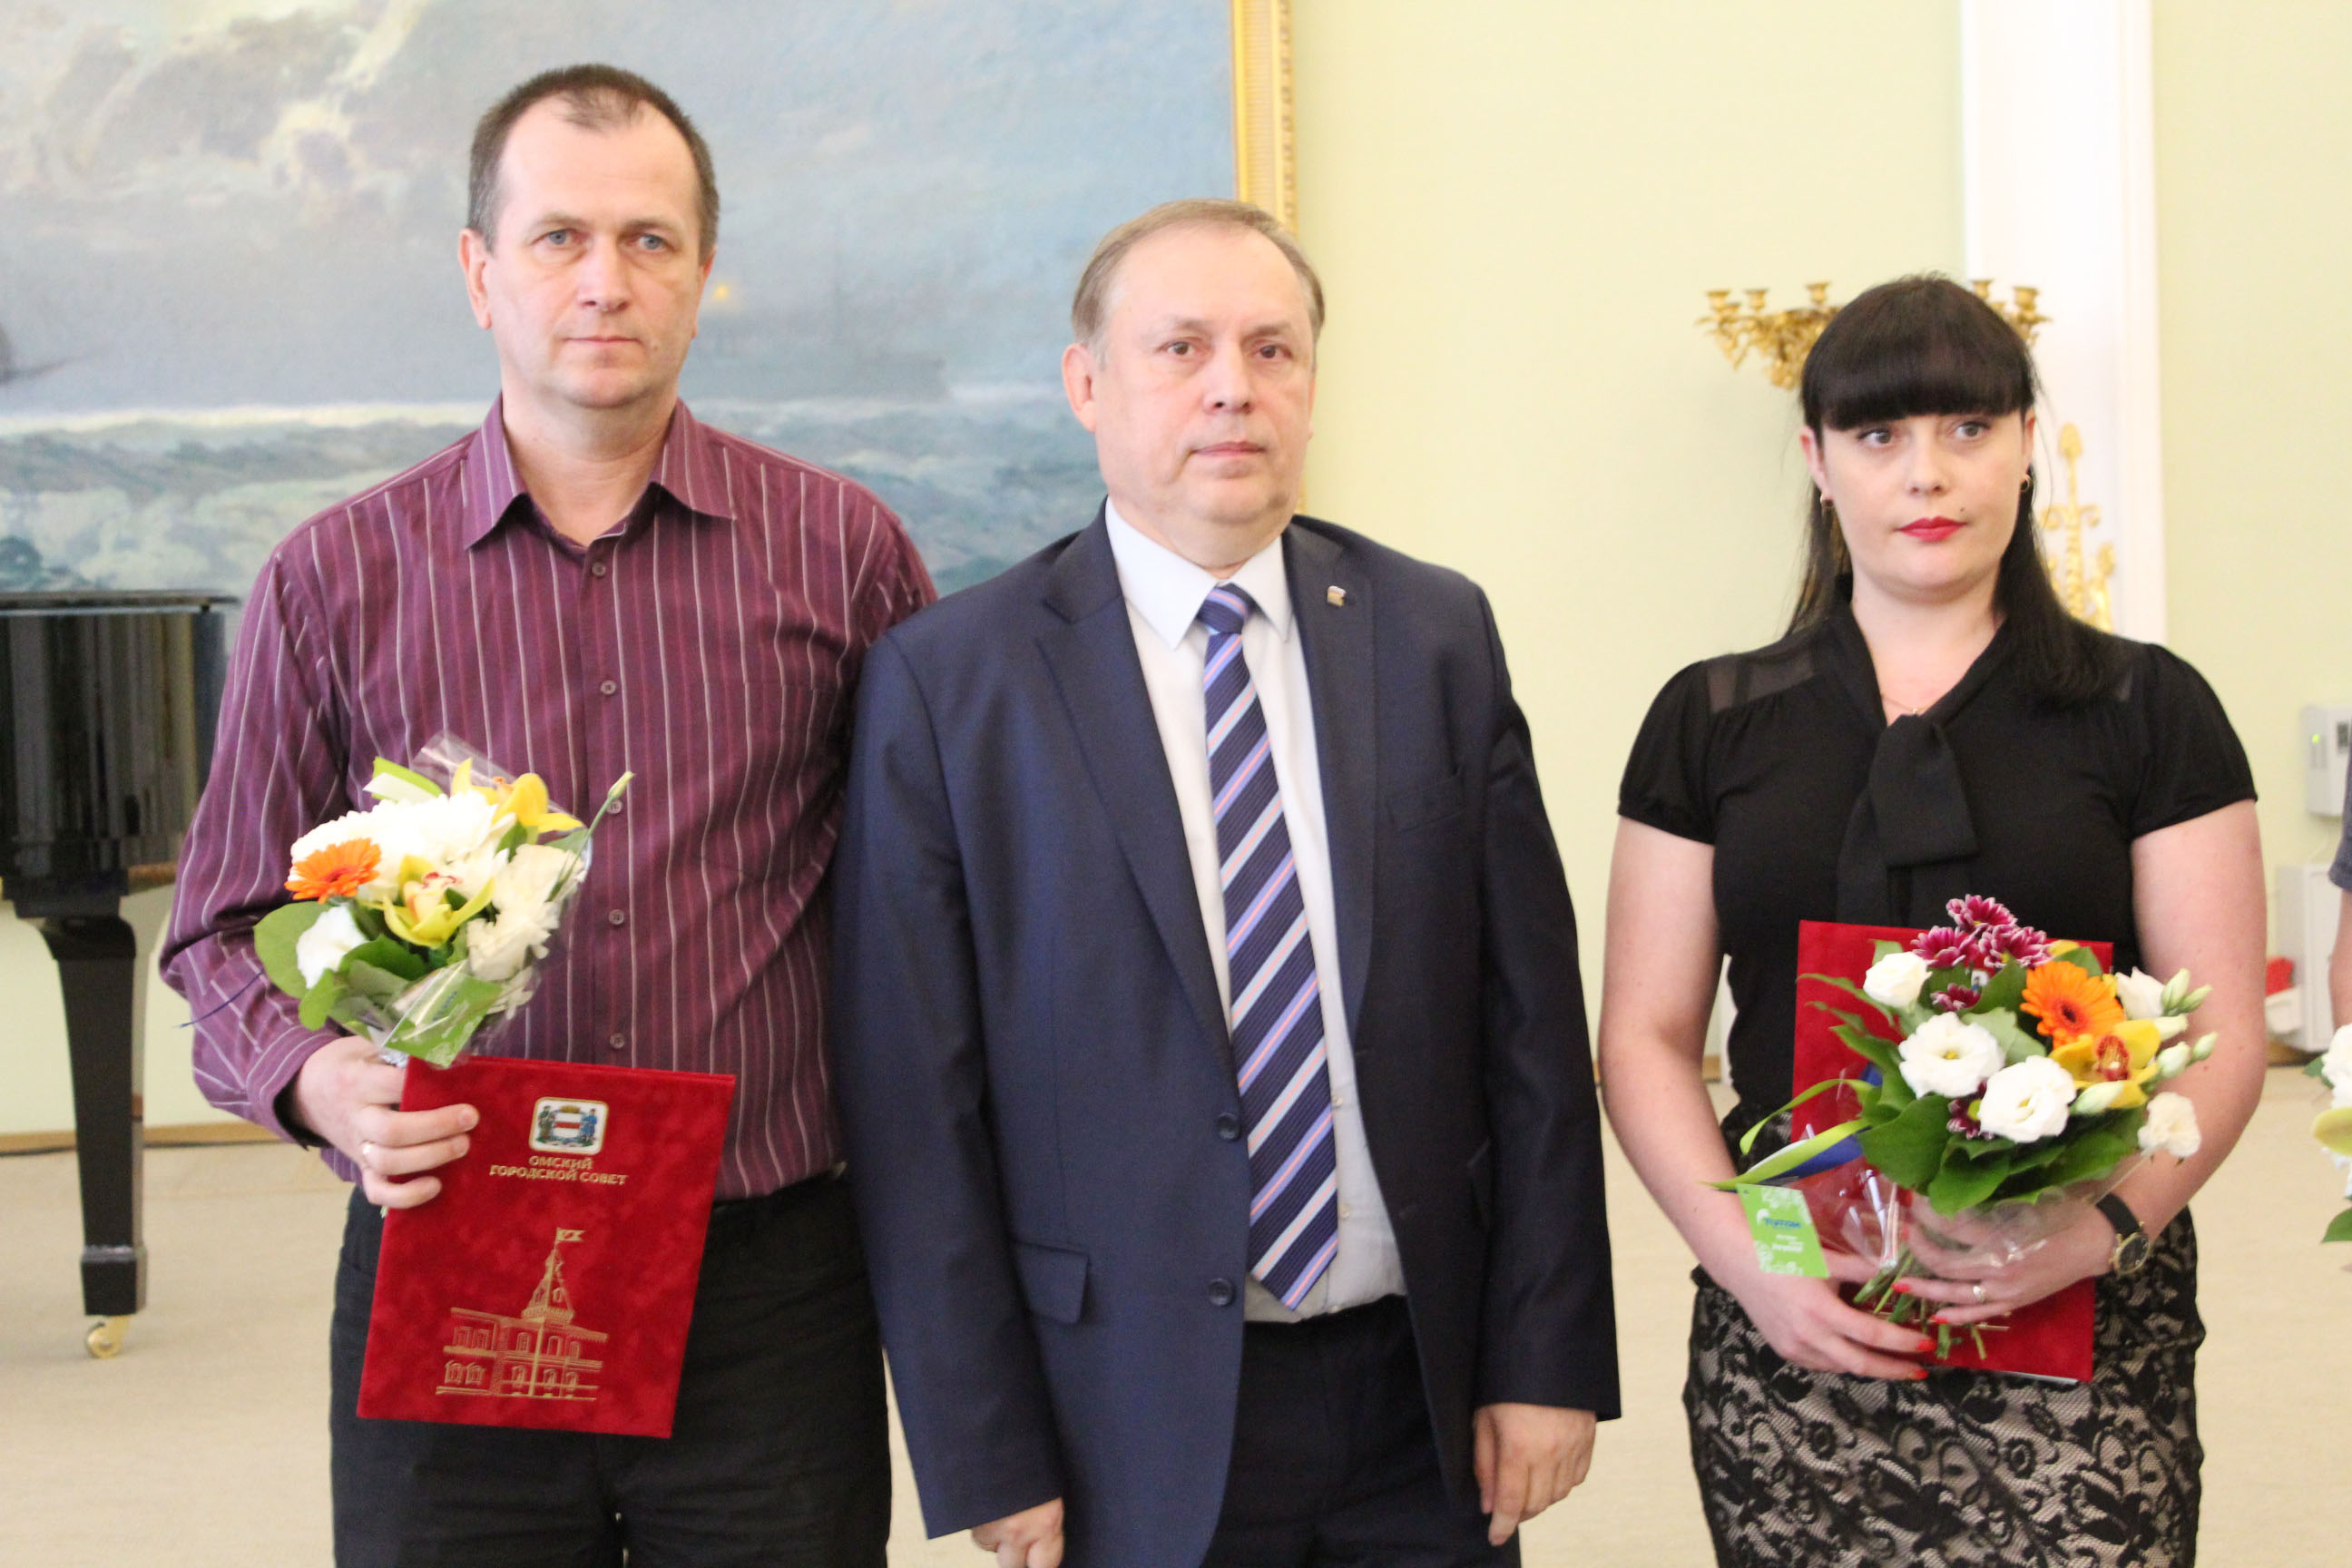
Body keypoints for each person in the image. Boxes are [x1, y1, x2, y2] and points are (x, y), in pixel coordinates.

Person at [161, 64, 933, 1567]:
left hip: (769, 1285)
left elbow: (939, 902)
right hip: (451, 1252)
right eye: (559, 237)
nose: (604, 281)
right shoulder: (333, 577)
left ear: (702, 274)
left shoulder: (844, 553)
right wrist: (314, 1081)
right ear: (479, 273)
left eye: (650, 240)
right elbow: (218, 927)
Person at [828, 199, 1619, 1568]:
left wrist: (1545, 1354)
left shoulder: (1435, 634)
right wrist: (985, 1447)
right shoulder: (955, 682)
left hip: (1423, 1403)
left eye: (1271, 348)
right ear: (1087, 384)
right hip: (1120, 1418)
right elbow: (913, 1110)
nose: (1231, 388)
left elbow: (1533, 1029)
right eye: (1180, 347)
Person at [1597, 275, 2267, 1566]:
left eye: (1968, 428)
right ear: (1818, 461)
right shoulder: (1712, 720)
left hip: (2081, 1311)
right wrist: (1759, 1262)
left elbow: (2223, 1034)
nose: (1928, 474)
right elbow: (1644, 1035)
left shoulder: (2148, 709)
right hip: (1796, 1309)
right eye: (1880, 434)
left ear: (2027, 444)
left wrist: (2097, 1234)